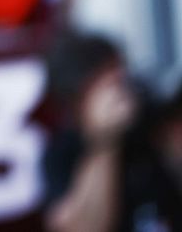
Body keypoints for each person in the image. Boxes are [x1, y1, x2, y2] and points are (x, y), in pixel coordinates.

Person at [43, 32, 181, 232]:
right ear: (78, 99)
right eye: (106, 83)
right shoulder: (61, 153)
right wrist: (105, 140)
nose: (120, 90)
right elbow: (82, 227)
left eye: (119, 76)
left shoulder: (149, 122)